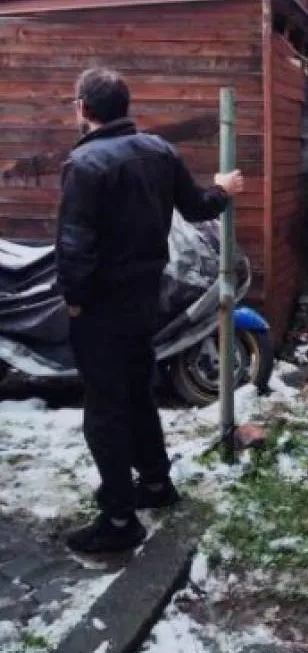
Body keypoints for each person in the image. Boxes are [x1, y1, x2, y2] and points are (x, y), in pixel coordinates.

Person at [56, 68, 244, 554]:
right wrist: (223, 188)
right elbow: (201, 207)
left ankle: (120, 519)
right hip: (146, 300)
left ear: (83, 108)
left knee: (105, 410)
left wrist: (73, 300)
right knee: (138, 392)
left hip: (100, 307)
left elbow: (75, 246)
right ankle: (156, 485)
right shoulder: (160, 151)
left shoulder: (85, 165)